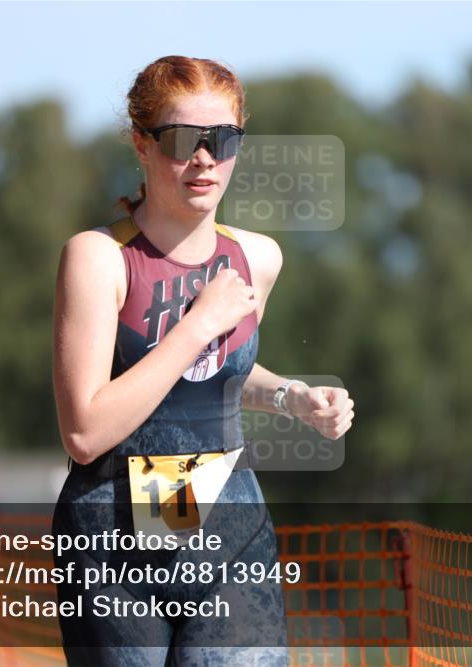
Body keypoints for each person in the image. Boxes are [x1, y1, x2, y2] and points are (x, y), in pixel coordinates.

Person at [50, 55, 354, 667]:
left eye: (223, 140)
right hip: (112, 542)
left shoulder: (257, 259)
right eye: (182, 139)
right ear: (141, 143)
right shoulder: (99, 258)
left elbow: (215, 377)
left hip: (228, 525)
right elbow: (84, 432)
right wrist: (197, 325)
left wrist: (292, 395)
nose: (204, 159)